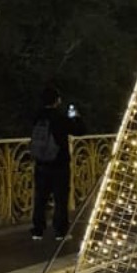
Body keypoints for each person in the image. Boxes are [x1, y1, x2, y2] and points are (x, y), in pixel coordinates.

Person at [30, 86, 84, 241]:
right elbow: (80, 131)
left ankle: (37, 230)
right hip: (59, 163)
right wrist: (75, 117)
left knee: (40, 197)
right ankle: (60, 231)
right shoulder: (59, 118)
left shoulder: (37, 117)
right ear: (57, 101)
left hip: (40, 162)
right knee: (60, 198)